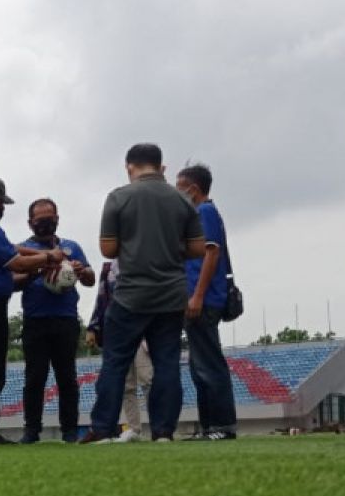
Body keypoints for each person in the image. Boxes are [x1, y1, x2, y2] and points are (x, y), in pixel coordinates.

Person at [81, 143, 215, 444]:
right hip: (171, 294)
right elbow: (197, 248)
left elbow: (108, 248)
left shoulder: (119, 197)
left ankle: (103, 428)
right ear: (160, 166)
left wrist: (136, 243)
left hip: (131, 294)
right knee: (166, 362)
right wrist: (169, 247)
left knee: (115, 362)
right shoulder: (181, 200)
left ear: (130, 167)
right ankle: (164, 431)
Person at [0, 177, 64, 445]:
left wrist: (39, 254)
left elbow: (13, 249)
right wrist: (48, 257)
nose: (2, 209)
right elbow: (16, 262)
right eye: (0, 203)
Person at [17, 199, 95, 443]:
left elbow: (91, 278)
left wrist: (81, 271)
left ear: (58, 219)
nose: (45, 223)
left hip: (66, 320)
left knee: (67, 377)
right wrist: (39, 270)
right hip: (35, 321)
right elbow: (14, 280)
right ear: (31, 223)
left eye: (50, 218)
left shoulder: (71, 246)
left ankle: (70, 430)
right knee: (34, 377)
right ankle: (32, 430)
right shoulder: (22, 249)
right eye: (40, 220)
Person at [177, 163, 238, 441]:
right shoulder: (200, 213)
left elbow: (211, 254)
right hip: (195, 298)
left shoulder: (205, 211)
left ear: (193, 189)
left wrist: (198, 295)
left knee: (209, 363)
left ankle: (222, 425)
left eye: (179, 188)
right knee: (199, 365)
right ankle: (208, 425)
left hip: (204, 299)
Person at [86, 259, 152, 441]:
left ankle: (159, 426)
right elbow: (101, 298)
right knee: (126, 385)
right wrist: (93, 326)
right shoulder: (108, 268)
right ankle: (133, 429)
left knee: (147, 379)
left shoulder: (145, 260)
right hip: (116, 331)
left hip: (142, 328)